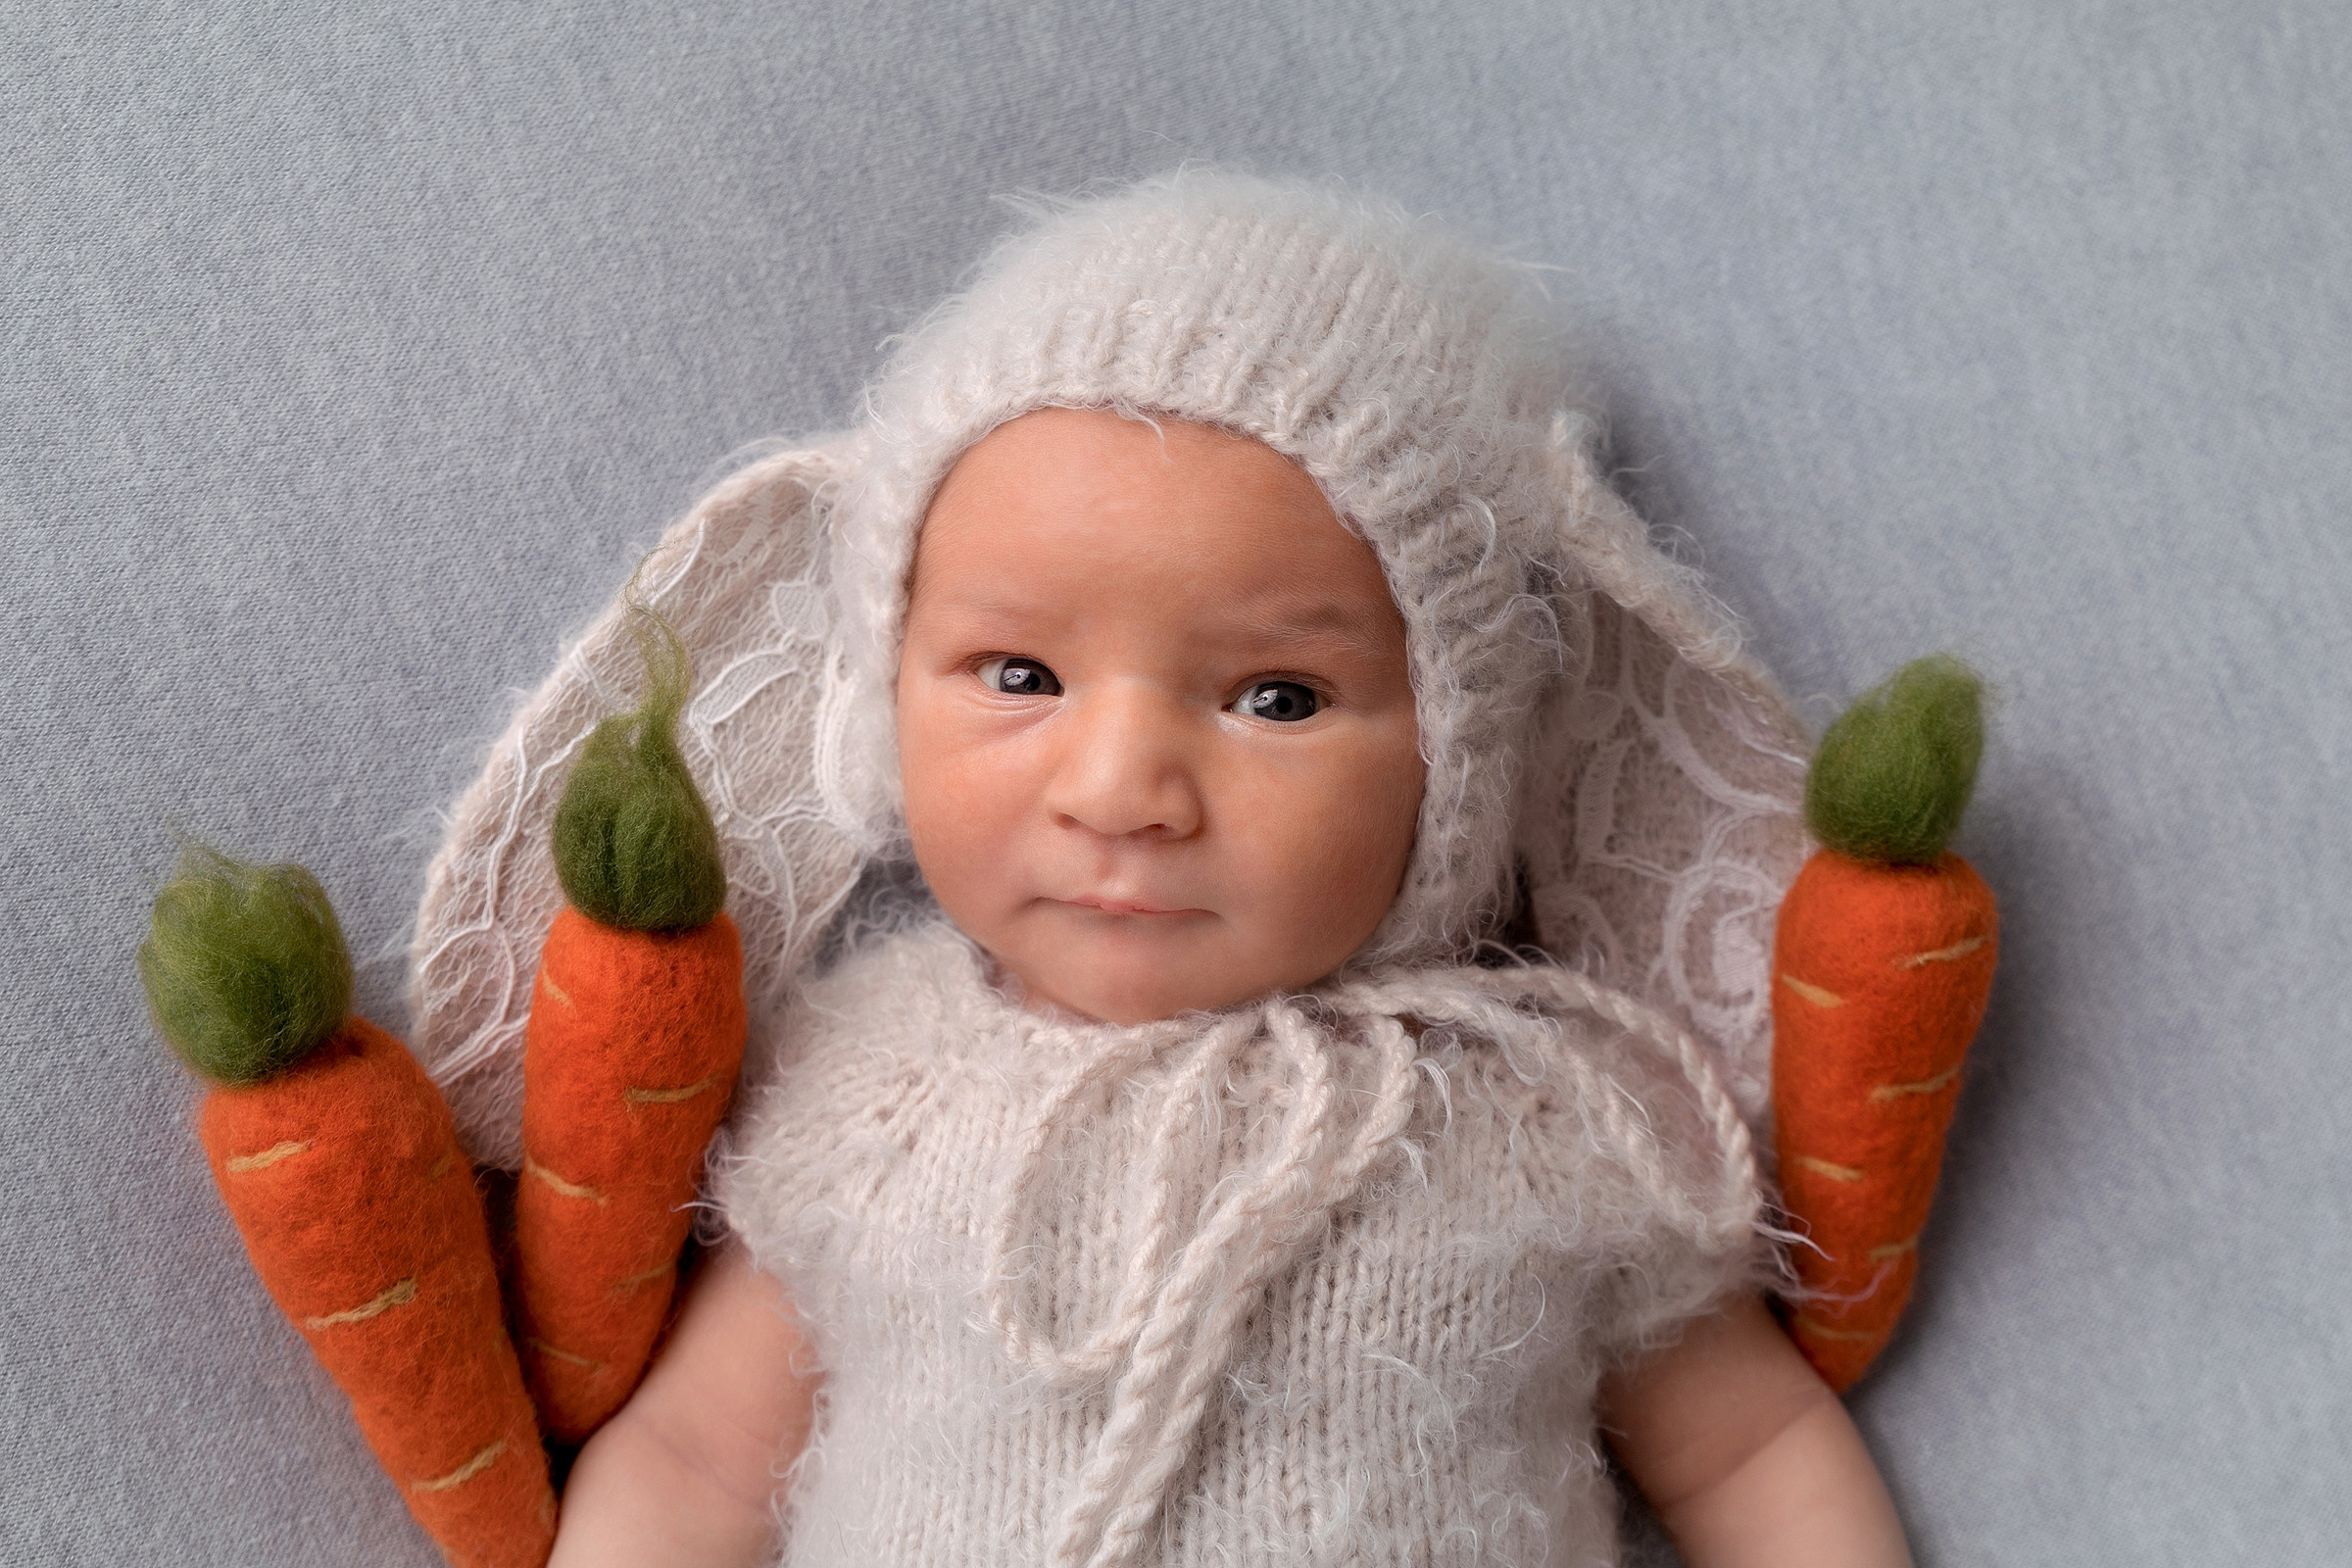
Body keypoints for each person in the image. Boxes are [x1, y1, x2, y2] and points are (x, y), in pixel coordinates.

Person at [412, 172, 1911, 1567]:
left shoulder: (1538, 1115)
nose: (1121, 790)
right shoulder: (868, 1093)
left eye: (1275, 698)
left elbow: (1753, 1457)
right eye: (1017, 673)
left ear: (1458, 757)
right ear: (882, 686)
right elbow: (693, 1467)